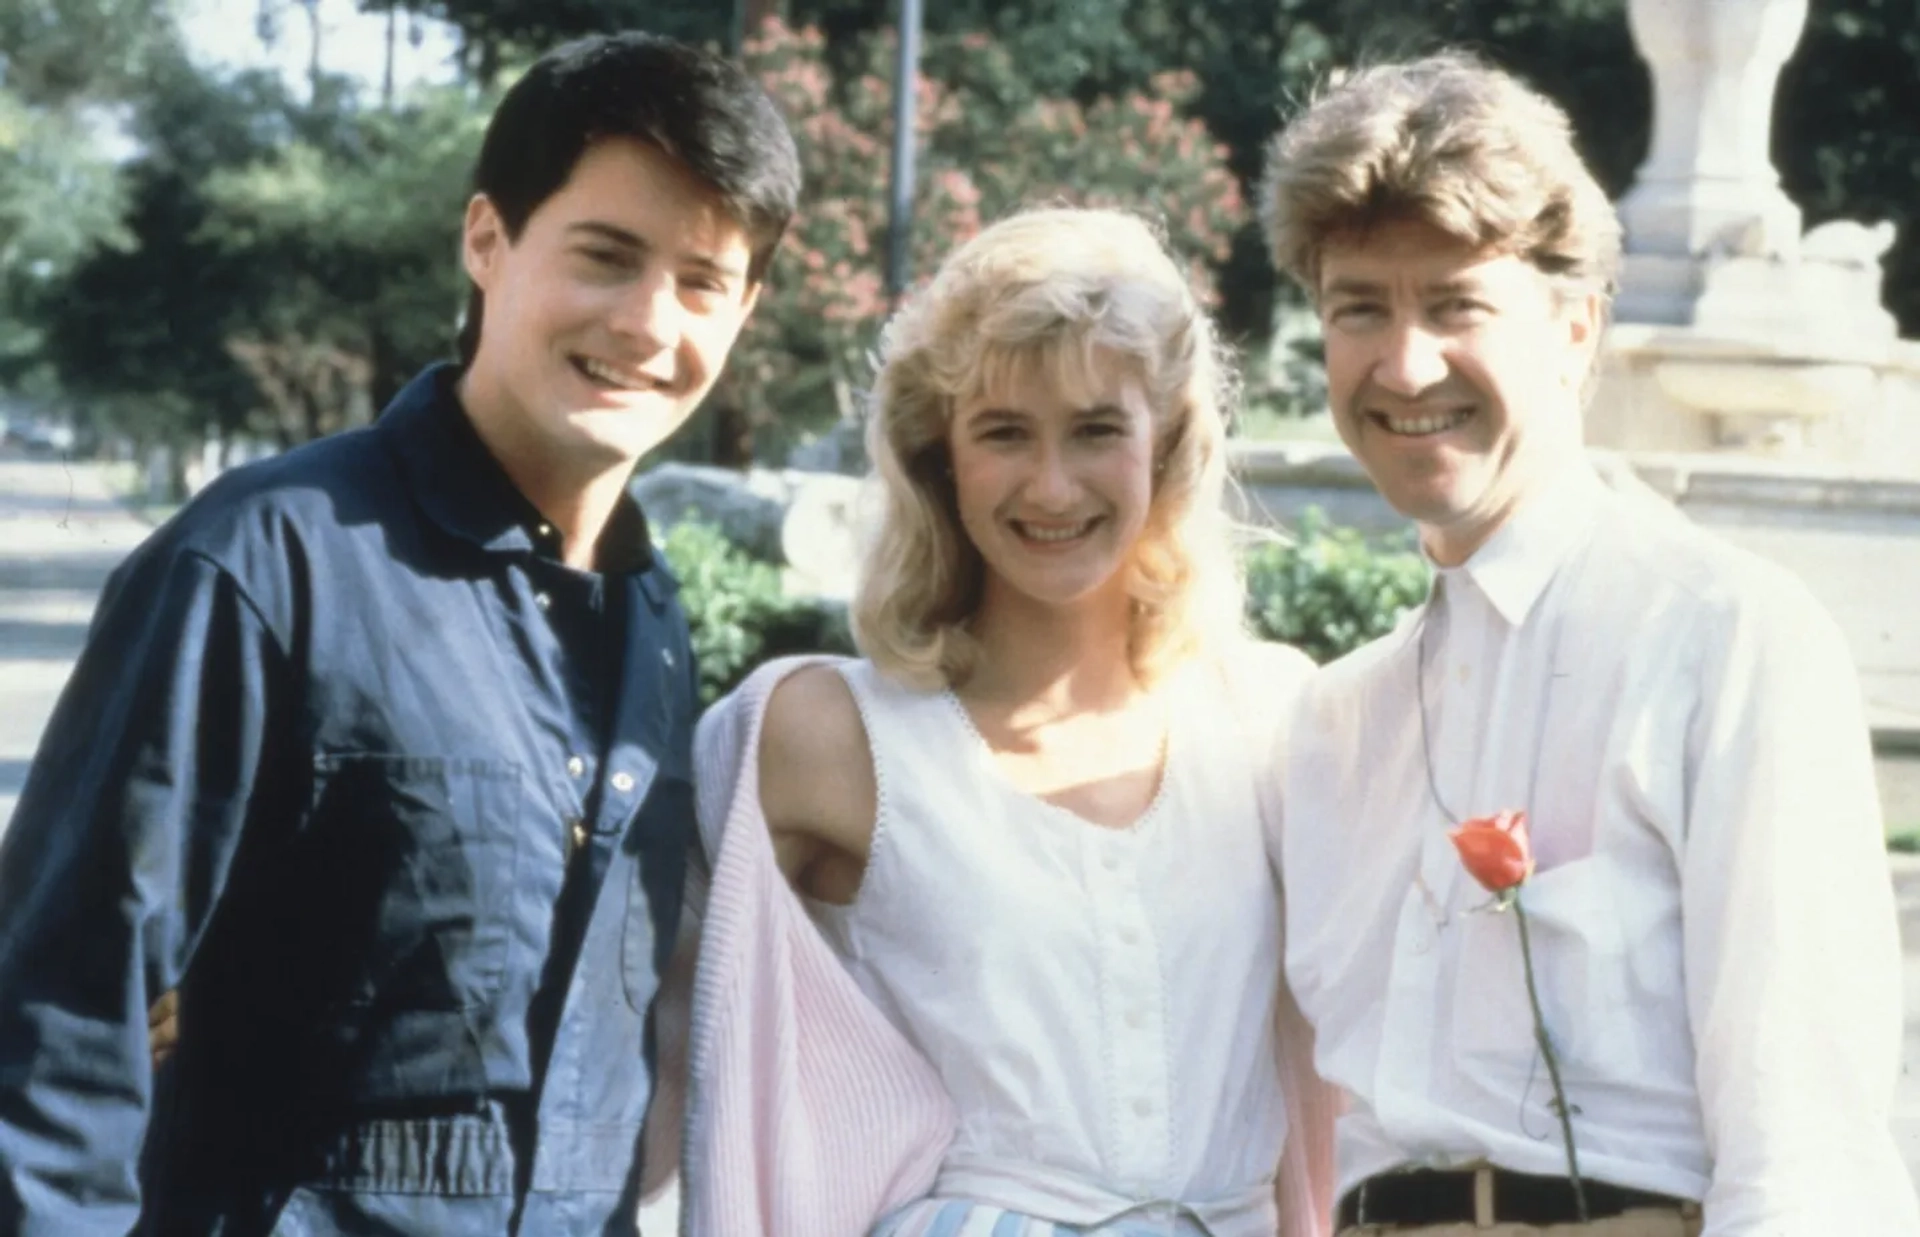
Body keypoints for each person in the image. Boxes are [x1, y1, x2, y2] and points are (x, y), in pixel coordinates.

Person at [0, 32, 798, 1234]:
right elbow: (60, 1022)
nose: (647, 321)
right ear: (487, 239)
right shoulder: (270, 561)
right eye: (605, 256)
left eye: (699, 281)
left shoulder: (653, 623)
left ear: (745, 311)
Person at [1259, 51, 1919, 1237]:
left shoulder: (1723, 641)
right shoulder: (1335, 720)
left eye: (1457, 302)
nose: (1405, 366)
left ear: (1576, 328)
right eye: (1361, 305)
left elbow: (1809, 1145)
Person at [660, 206, 1340, 1237]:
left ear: (1168, 447)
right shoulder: (826, 735)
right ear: (941, 458)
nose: (1052, 484)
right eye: (1004, 432)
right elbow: (665, 1062)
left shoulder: (1270, 715)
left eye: (1098, 429)